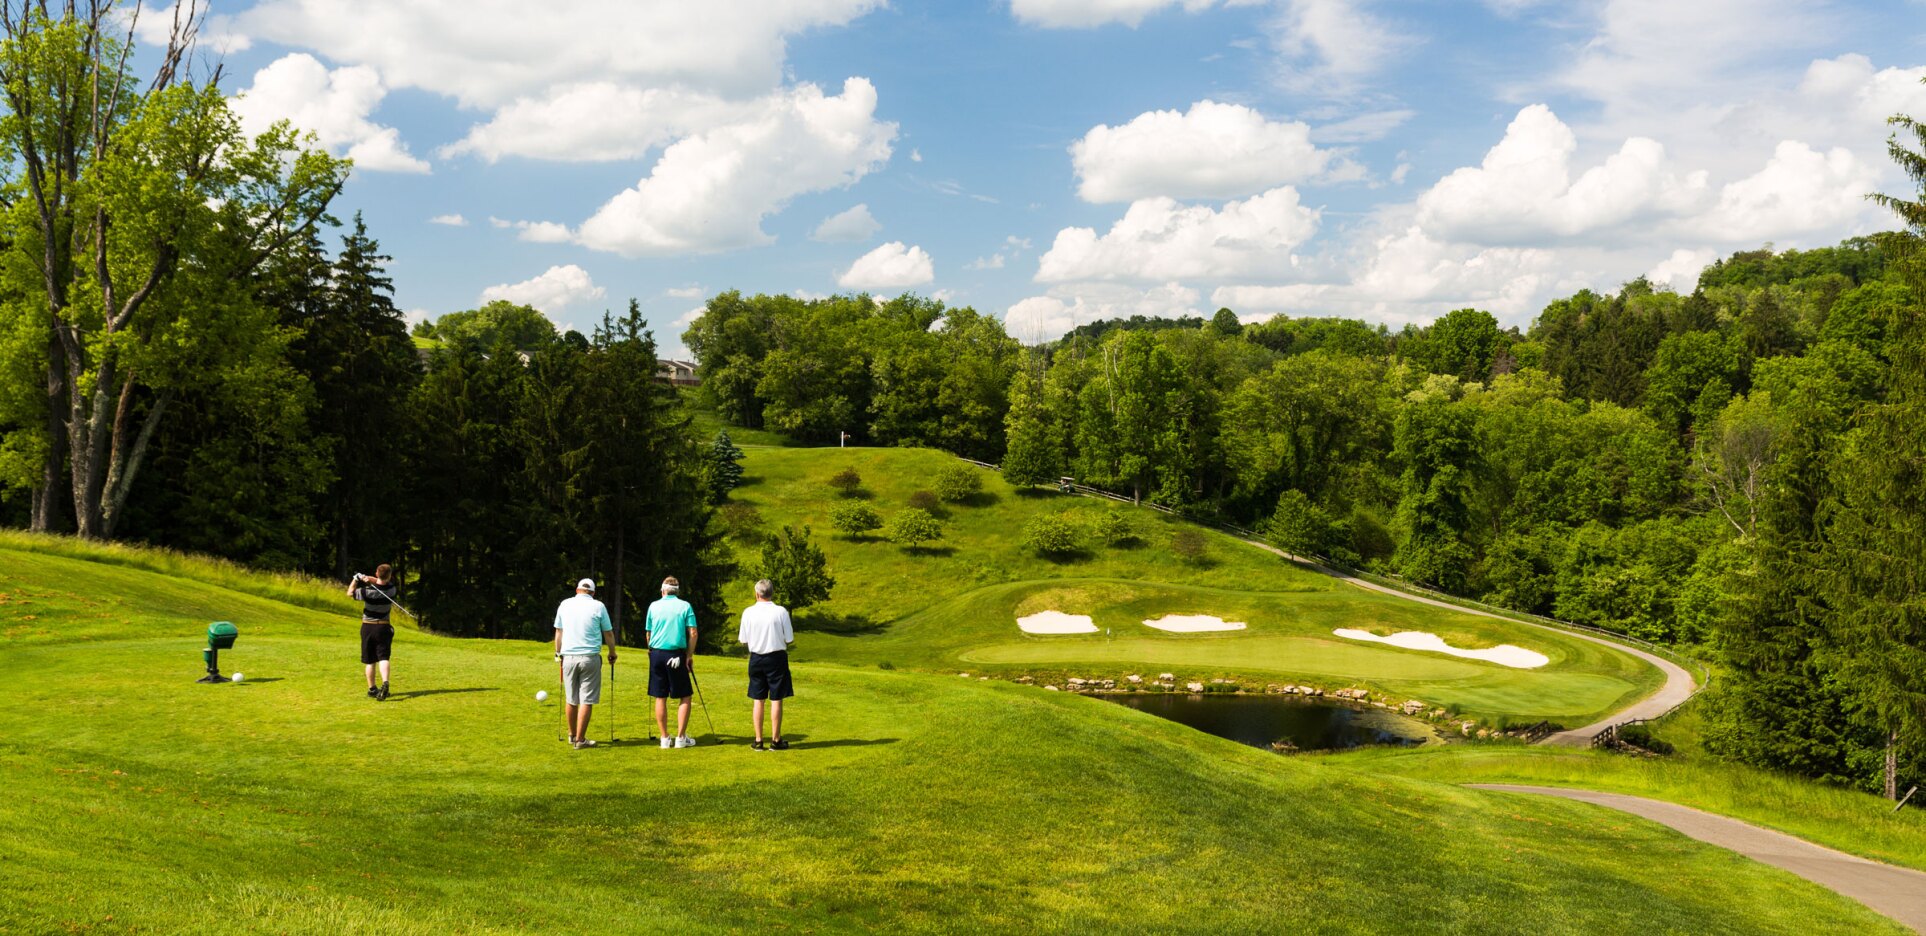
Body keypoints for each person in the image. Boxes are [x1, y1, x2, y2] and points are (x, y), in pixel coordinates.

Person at [553, 578, 617, 749]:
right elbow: (608, 633)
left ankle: (572, 735)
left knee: (571, 699)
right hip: (590, 658)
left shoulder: (565, 604)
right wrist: (612, 652)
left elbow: (559, 631)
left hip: (568, 657)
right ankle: (580, 740)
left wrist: (557, 653)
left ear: (577, 590)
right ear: (593, 593)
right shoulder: (598, 606)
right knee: (586, 699)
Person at [737, 579, 795, 751]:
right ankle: (776, 740)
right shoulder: (781, 611)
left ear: (757, 593)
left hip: (756, 658)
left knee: (758, 699)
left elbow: (743, 639)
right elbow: (789, 638)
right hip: (776, 657)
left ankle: (758, 740)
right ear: (772, 593)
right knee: (776, 699)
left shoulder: (748, 612)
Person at [645, 576, 699, 749]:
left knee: (660, 696)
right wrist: (689, 655)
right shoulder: (685, 606)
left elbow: (648, 633)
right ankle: (681, 738)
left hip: (656, 653)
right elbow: (693, 633)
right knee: (685, 695)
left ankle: (664, 738)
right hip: (676, 654)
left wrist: (651, 651)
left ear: (663, 591)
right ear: (677, 591)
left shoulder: (653, 606)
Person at [349, 564, 400, 700]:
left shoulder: (366, 592)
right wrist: (367, 578)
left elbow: (350, 593)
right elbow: (380, 581)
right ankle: (385, 682)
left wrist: (356, 579)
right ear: (390, 576)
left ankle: (372, 689)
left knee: (370, 661)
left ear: (377, 573)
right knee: (384, 657)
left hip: (368, 627)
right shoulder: (392, 590)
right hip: (383, 627)